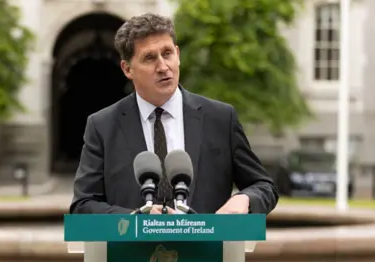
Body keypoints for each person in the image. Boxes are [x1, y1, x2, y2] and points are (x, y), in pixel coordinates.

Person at [69, 12, 278, 215]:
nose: (162, 66)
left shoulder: (221, 118)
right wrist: (135, 219)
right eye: (149, 58)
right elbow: (83, 205)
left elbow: (263, 186)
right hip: (131, 249)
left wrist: (244, 199)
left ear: (177, 55)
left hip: (206, 249)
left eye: (167, 53)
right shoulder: (102, 126)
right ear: (127, 69)